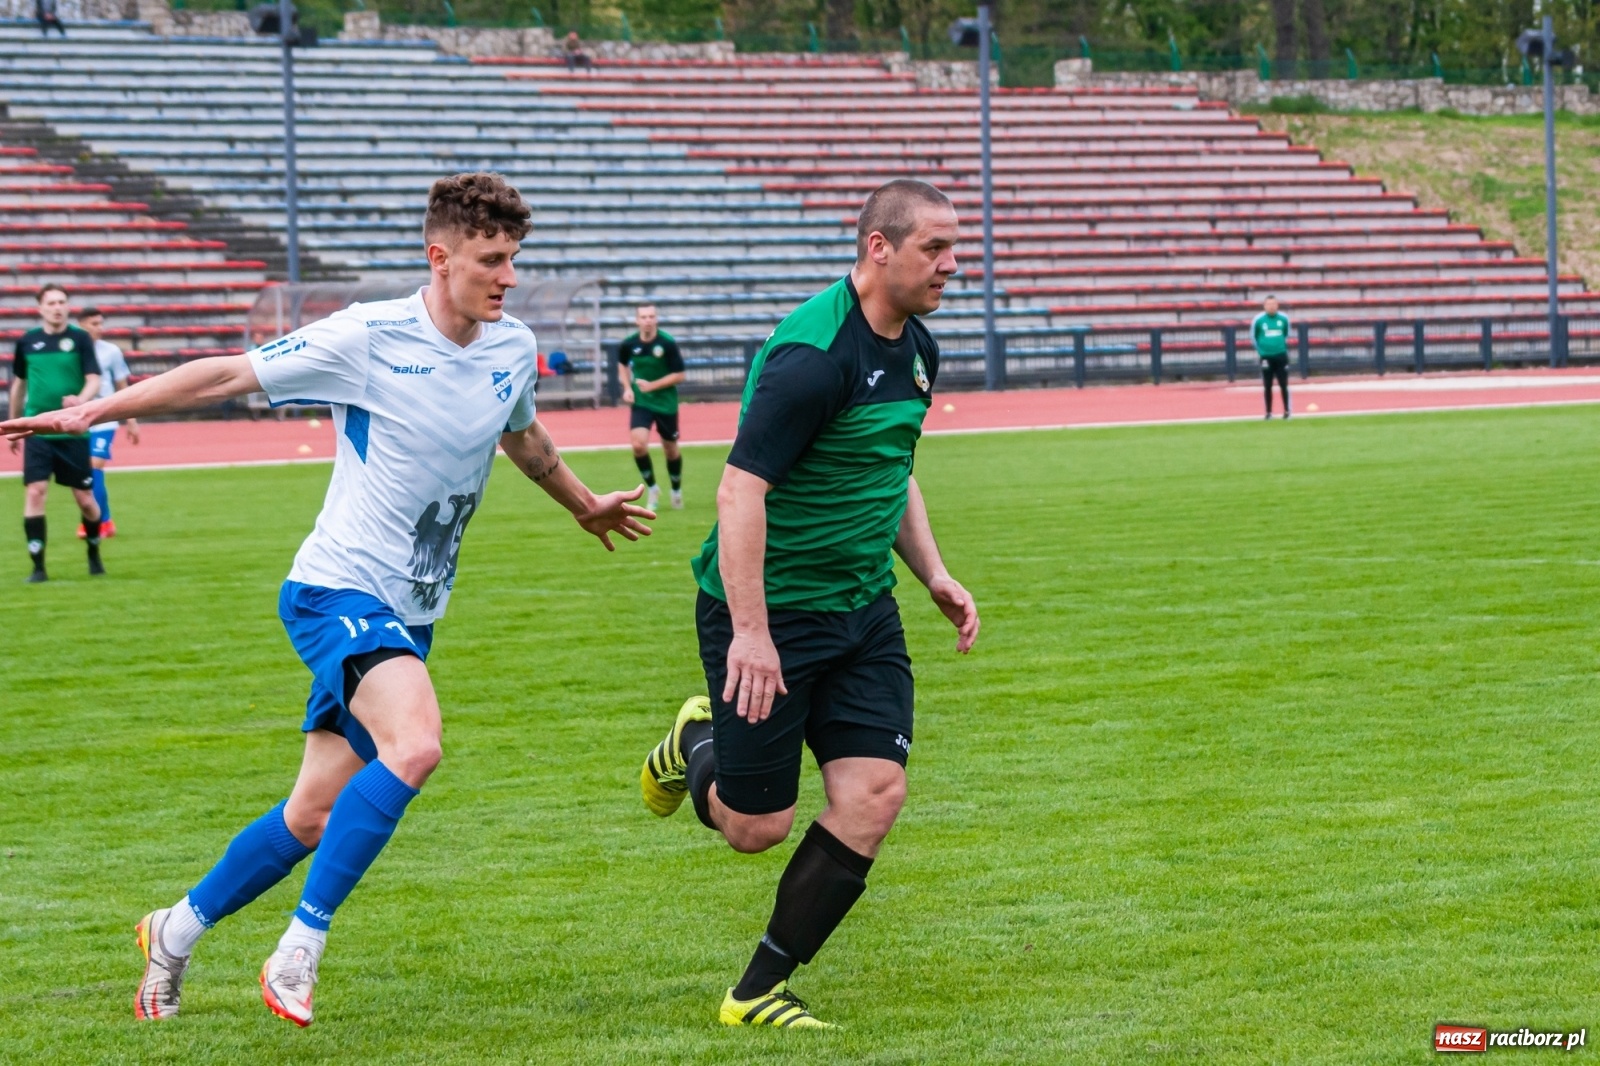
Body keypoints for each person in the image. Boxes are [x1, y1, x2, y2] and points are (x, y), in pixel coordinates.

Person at [1, 172, 655, 1027]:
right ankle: (298, 949)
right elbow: (224, 375)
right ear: (440, 256)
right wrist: (94, 410)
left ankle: (175, 929)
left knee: (310, 814)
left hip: (410, 614)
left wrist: (583, 505)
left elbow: (521, 433)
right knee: (416, 744)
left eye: (513, 260)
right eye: (492, 260)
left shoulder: (507, 344)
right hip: (335, 589)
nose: (507, 277)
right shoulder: (370, 336)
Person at [637, 179, 980, 1029]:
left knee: (875, 793)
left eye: (954, 247)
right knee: (757, 827)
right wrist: (751, 635)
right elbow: (739, 494)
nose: (952, 264)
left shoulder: (919, 348)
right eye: (934, 249)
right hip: (770, 616)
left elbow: (889, 469)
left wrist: (932, 571)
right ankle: (696, 740)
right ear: (878, 249)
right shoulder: (813, 357)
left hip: (863, 611)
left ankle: (755, 992)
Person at [9, 283, 102, 582]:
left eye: (62, 302)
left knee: (85, 499)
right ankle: (38, 567)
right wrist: (14, 423)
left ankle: (93, 551)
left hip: (72, 430)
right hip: (38, 429)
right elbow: (19, 385)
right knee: (35, 491)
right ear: (40, 308)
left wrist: (82, 402)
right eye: (51, 303)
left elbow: (93, 378)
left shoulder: (79, 339)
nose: (57, 307)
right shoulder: (27, 342)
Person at [76, 307, 140, 540]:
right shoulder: (72, 350)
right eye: (94, 323)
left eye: (101, 323)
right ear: (81, 325)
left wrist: (131, 420)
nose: (99, 328)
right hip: (79, 418)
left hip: (105, 417)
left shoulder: (111, 351)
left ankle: (95, 522)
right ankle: (106, 519)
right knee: (85, 472)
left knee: (95, 465)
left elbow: (122, 386)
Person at [616, 303, 686, 510]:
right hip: (642, 402)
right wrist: (627, 387)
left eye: (651, 316)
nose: (648, 320)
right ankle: (653, 488)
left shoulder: (667, 343)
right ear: (637, 320)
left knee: (670, 450)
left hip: (666, 403)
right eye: (644, 317)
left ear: (656, 319)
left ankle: (676, 490)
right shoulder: (629, 344)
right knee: (638, 445)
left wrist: (652, 385)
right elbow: (622, 365)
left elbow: (680, 375)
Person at [1252, 295, 1291, 420]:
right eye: (1269, 304)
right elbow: (1255, 337)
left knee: (1283, 384)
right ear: (1264, 306)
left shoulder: (1283, 319)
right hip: (1266, 357)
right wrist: (1261, 350)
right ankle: (1268, 412)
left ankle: (1286, 411)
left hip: (1281, 355)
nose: (1271, 306)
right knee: (1267, 385)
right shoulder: (1259, 321)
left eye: (1273, 304)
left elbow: (1285, 334)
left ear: (1277, 305)